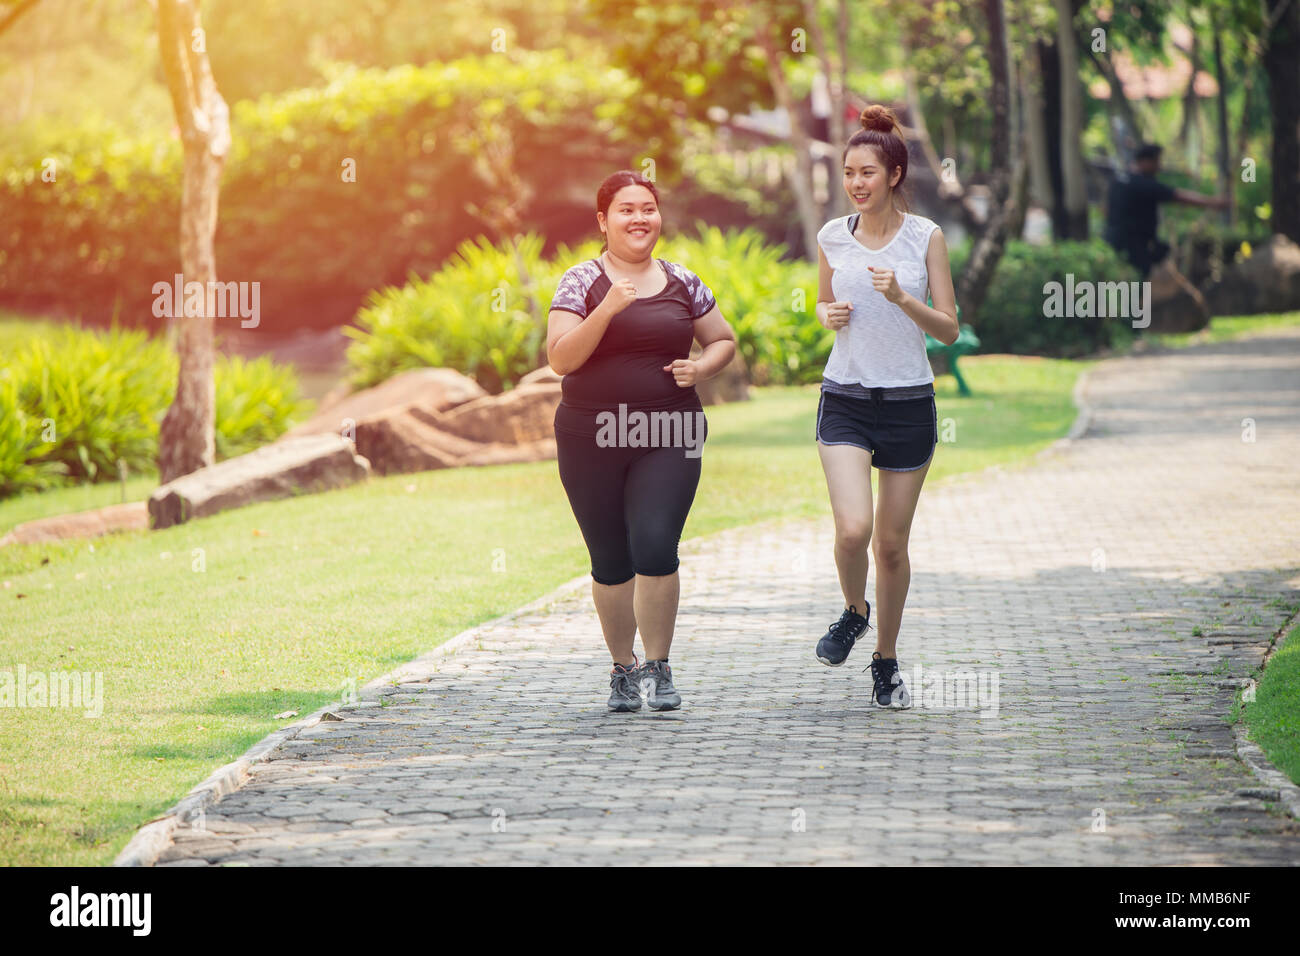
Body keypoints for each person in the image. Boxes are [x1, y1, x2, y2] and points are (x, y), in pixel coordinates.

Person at [546, 170, 737, 712]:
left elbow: (723, 339)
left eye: (648, 208)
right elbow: (561, 358)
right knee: (610, 559)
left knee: (655, 544)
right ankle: (622, 670)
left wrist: (701, 368)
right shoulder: (580, 282)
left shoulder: (683, 280)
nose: (639, 218)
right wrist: (608, 307)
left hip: (669, 431)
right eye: (626, 209)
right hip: (591, 436)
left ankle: (658, 667)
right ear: (603, 221)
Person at [812, 104, 960, 709]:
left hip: (907, 402)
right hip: (845, 396)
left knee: (891, 546)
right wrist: (828, 314)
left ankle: (886, 660)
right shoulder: (830, 237)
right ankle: (854, 611)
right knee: (853, 528)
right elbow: (823, 303)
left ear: (893, 174)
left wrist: (902, 297)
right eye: (849, 172)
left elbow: (949, 329)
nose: (856, 183)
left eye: (867, 172)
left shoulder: (926, 237)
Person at [1103, 142, 1230, 278]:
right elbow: (1179, 196)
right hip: (1134, 245)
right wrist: (1213, 202)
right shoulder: (1145, 184)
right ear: (1145, 161)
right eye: (1156, 161)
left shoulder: (1118, 180)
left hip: (1112, 239)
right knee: (1139, 278)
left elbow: (1105, 209)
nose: (1159, 167)